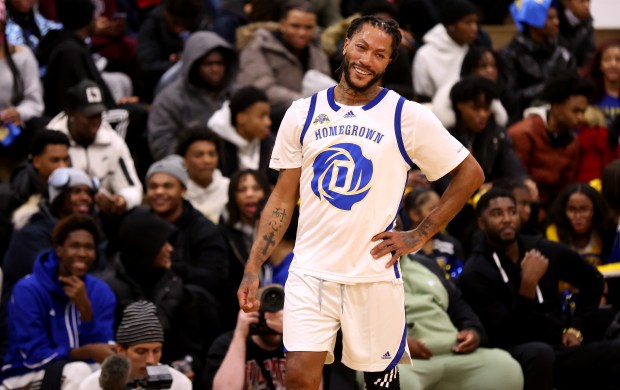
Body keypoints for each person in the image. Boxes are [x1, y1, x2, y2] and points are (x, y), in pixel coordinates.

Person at [237, 15, 484, 389]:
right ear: (346, 44)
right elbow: (282, 197)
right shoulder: (302, 113)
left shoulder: (407, 116)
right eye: (362, 47)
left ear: (389, 63)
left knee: (380, 384)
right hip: (311, 273)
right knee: (300, 379)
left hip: (372, 276)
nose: (367, 60)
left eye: (379, 55)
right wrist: (253, 264)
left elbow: (471, 174)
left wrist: (419, 234)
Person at [458, 188, 620, 390]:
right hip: (513, 351)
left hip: (558, 344)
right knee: (540, 352)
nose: (507, 219)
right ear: (481, 223)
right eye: (497, 214)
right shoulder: (475, 272)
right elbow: (506, 334)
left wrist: (576, 329)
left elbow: (593, 279)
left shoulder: (540, 248)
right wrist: (527, 286)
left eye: (512, 212)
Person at [1, 214, 116, 389]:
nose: (82, 254)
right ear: (59, 249)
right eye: (74, 246)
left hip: (74, 369)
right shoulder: (28, 289)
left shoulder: (101, 292)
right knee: (79, 371)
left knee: (106, 373)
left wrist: (86, 310)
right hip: (22, 374)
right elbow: (33, 355)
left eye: (89, 247)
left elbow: (102, 350)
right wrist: (84, 352)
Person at [398, 253, 523, 390]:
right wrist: (397, 346)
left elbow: (458, 305)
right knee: (393, 379)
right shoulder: (371, 271)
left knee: (505, 367)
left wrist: (473, 331)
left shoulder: (426, 264)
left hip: (454, 351)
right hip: (406, 361)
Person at [47, 80, 143, 215]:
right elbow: (47, 189)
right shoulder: (51, 141)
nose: (96, 121)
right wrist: (91, 197)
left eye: (99, 115)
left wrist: (122, 200)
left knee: (141, 215)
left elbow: (133, 188)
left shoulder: (113, 141)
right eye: (89, 116)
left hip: (105, 215)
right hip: (63, 214)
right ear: (72, 114)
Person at [145, 155, 229, 298]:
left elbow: (213, 278)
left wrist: (169, 266)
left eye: (167, 186)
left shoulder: (204, 229)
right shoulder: (140, 225)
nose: (159, 192)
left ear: (183, 190)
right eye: (153, 187)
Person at [148, 31, 238, 160]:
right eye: (208, 64)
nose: (215, 69)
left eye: (220, 63)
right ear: (194, 64)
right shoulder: (169, 99)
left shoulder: (236, 94)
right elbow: (162, 147)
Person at [508, 72, 591, 211]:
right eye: (576, 111)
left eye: (583, 112)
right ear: (557, 108)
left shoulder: (572, 142)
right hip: (521, 210)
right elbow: (515, 182)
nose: (581, 118)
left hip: (552, 212)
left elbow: (565, 188)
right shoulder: (523, 133)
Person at [236, 0, 331, 109]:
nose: (302, 33)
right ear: (282, 25)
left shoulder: (317, 50)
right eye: (295, 26)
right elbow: (261, 89)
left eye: (308, 28)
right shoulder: (257, 46)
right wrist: (304, 103)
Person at [79, 301, 193, 390]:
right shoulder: (92, 386)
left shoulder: (179, 383)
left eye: (156, 351)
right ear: (120, 350)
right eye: (141, 351)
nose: (151, 360)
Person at [500, 0, 576, 122]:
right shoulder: (509, 55)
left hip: (560, 121)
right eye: (550, 18)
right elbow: (510, 99)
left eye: (557, 17)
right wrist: (548, 88)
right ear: (533, 20)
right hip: (523, 120)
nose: (557, 22)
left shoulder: (564, 55)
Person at [206, 290, 285, 390]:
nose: (270, 316)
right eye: (265, 310)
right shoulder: (226, 344)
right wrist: (240, 334)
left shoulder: (298, 340)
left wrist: (291, 332)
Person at [412, 0, 479, 101]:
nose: (475, 28)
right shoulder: (425, 54)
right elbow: (422, 96)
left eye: (475, 22)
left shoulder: (475, 50)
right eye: (468, 22)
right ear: (451, 26)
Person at [207, 86, 276, 181]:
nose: (268, 122)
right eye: (261, 116)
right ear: (241, 118)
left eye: (268, 116)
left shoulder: (271, 144)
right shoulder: (214, 146)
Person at [546, 182, 616, 265]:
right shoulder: (554, 233)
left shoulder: (605, 233)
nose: (578, 216)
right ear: (563, 211)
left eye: (584, 209)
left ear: (595, 210)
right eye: (572, 209)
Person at [402, 188, 465, 278]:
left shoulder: (451, 244)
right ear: (415, 214)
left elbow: (460, 277)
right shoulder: (403, 248)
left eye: (441, 209)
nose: (441, 214)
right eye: (433, 209)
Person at [176, 126, 230, 224]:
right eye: (199, 155)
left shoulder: (229, 188)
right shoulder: (178, 193)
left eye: (212, 154)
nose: (207, 161)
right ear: (184, 160)